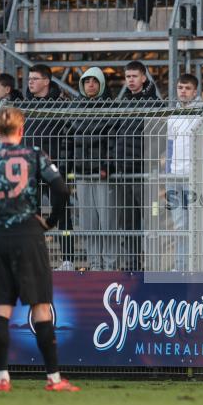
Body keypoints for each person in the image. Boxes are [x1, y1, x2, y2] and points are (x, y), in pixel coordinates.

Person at [0, 106, 79, 393]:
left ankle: (2, 377)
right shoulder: (34, 155)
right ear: (21, 130)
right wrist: (50, 222)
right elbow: (60, 190)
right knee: (41, 307)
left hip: (1, 238)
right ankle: (54, 378)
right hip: (30, 236)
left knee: (1, 309)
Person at [20, 64, 75, 270]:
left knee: (62, 213)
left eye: (35, 78)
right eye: (29, 79)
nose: (30, 82)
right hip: (30, 169)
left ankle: (68, 260)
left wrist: (61, 163)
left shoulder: (61, 106)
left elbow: (68, 137)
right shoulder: (25, 107)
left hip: (54, 170)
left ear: (46, 81)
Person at [115, 60, 162, 270]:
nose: (131, 80)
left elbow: (161, 137)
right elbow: (115, 135)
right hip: (124, 173)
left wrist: (149, 159)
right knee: (128, 224)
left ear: (144, 77)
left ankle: (153, 264)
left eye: (134, 76)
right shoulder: (121, 103)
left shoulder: (155, 104)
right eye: (128, 77)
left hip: (145, 173)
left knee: (151, 221)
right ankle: (133, 265)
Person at [71, 67, 118, 271]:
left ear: (101, 84)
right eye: (86, 81)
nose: (90, 84)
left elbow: (115, 142)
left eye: (94, 81)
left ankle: (109, 265)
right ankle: (94, 265)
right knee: (89, 224)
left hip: (102, 174)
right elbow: (68, 142)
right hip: (82, 173)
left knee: (107, 223)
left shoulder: (112, 107)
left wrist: (107, 165)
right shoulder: (74, 108)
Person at [165, 73, 203, 271]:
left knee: (195, 225)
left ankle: (194, 265)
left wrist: (202, 174)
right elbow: (169, 146)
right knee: (180, 226)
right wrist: (166, 174)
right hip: (174, 177)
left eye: (187, 88)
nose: (183, 91)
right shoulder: (172, 116)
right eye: (180, 87)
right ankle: (181, 265)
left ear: (195, 91)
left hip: (193, 177)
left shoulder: (201, 115)